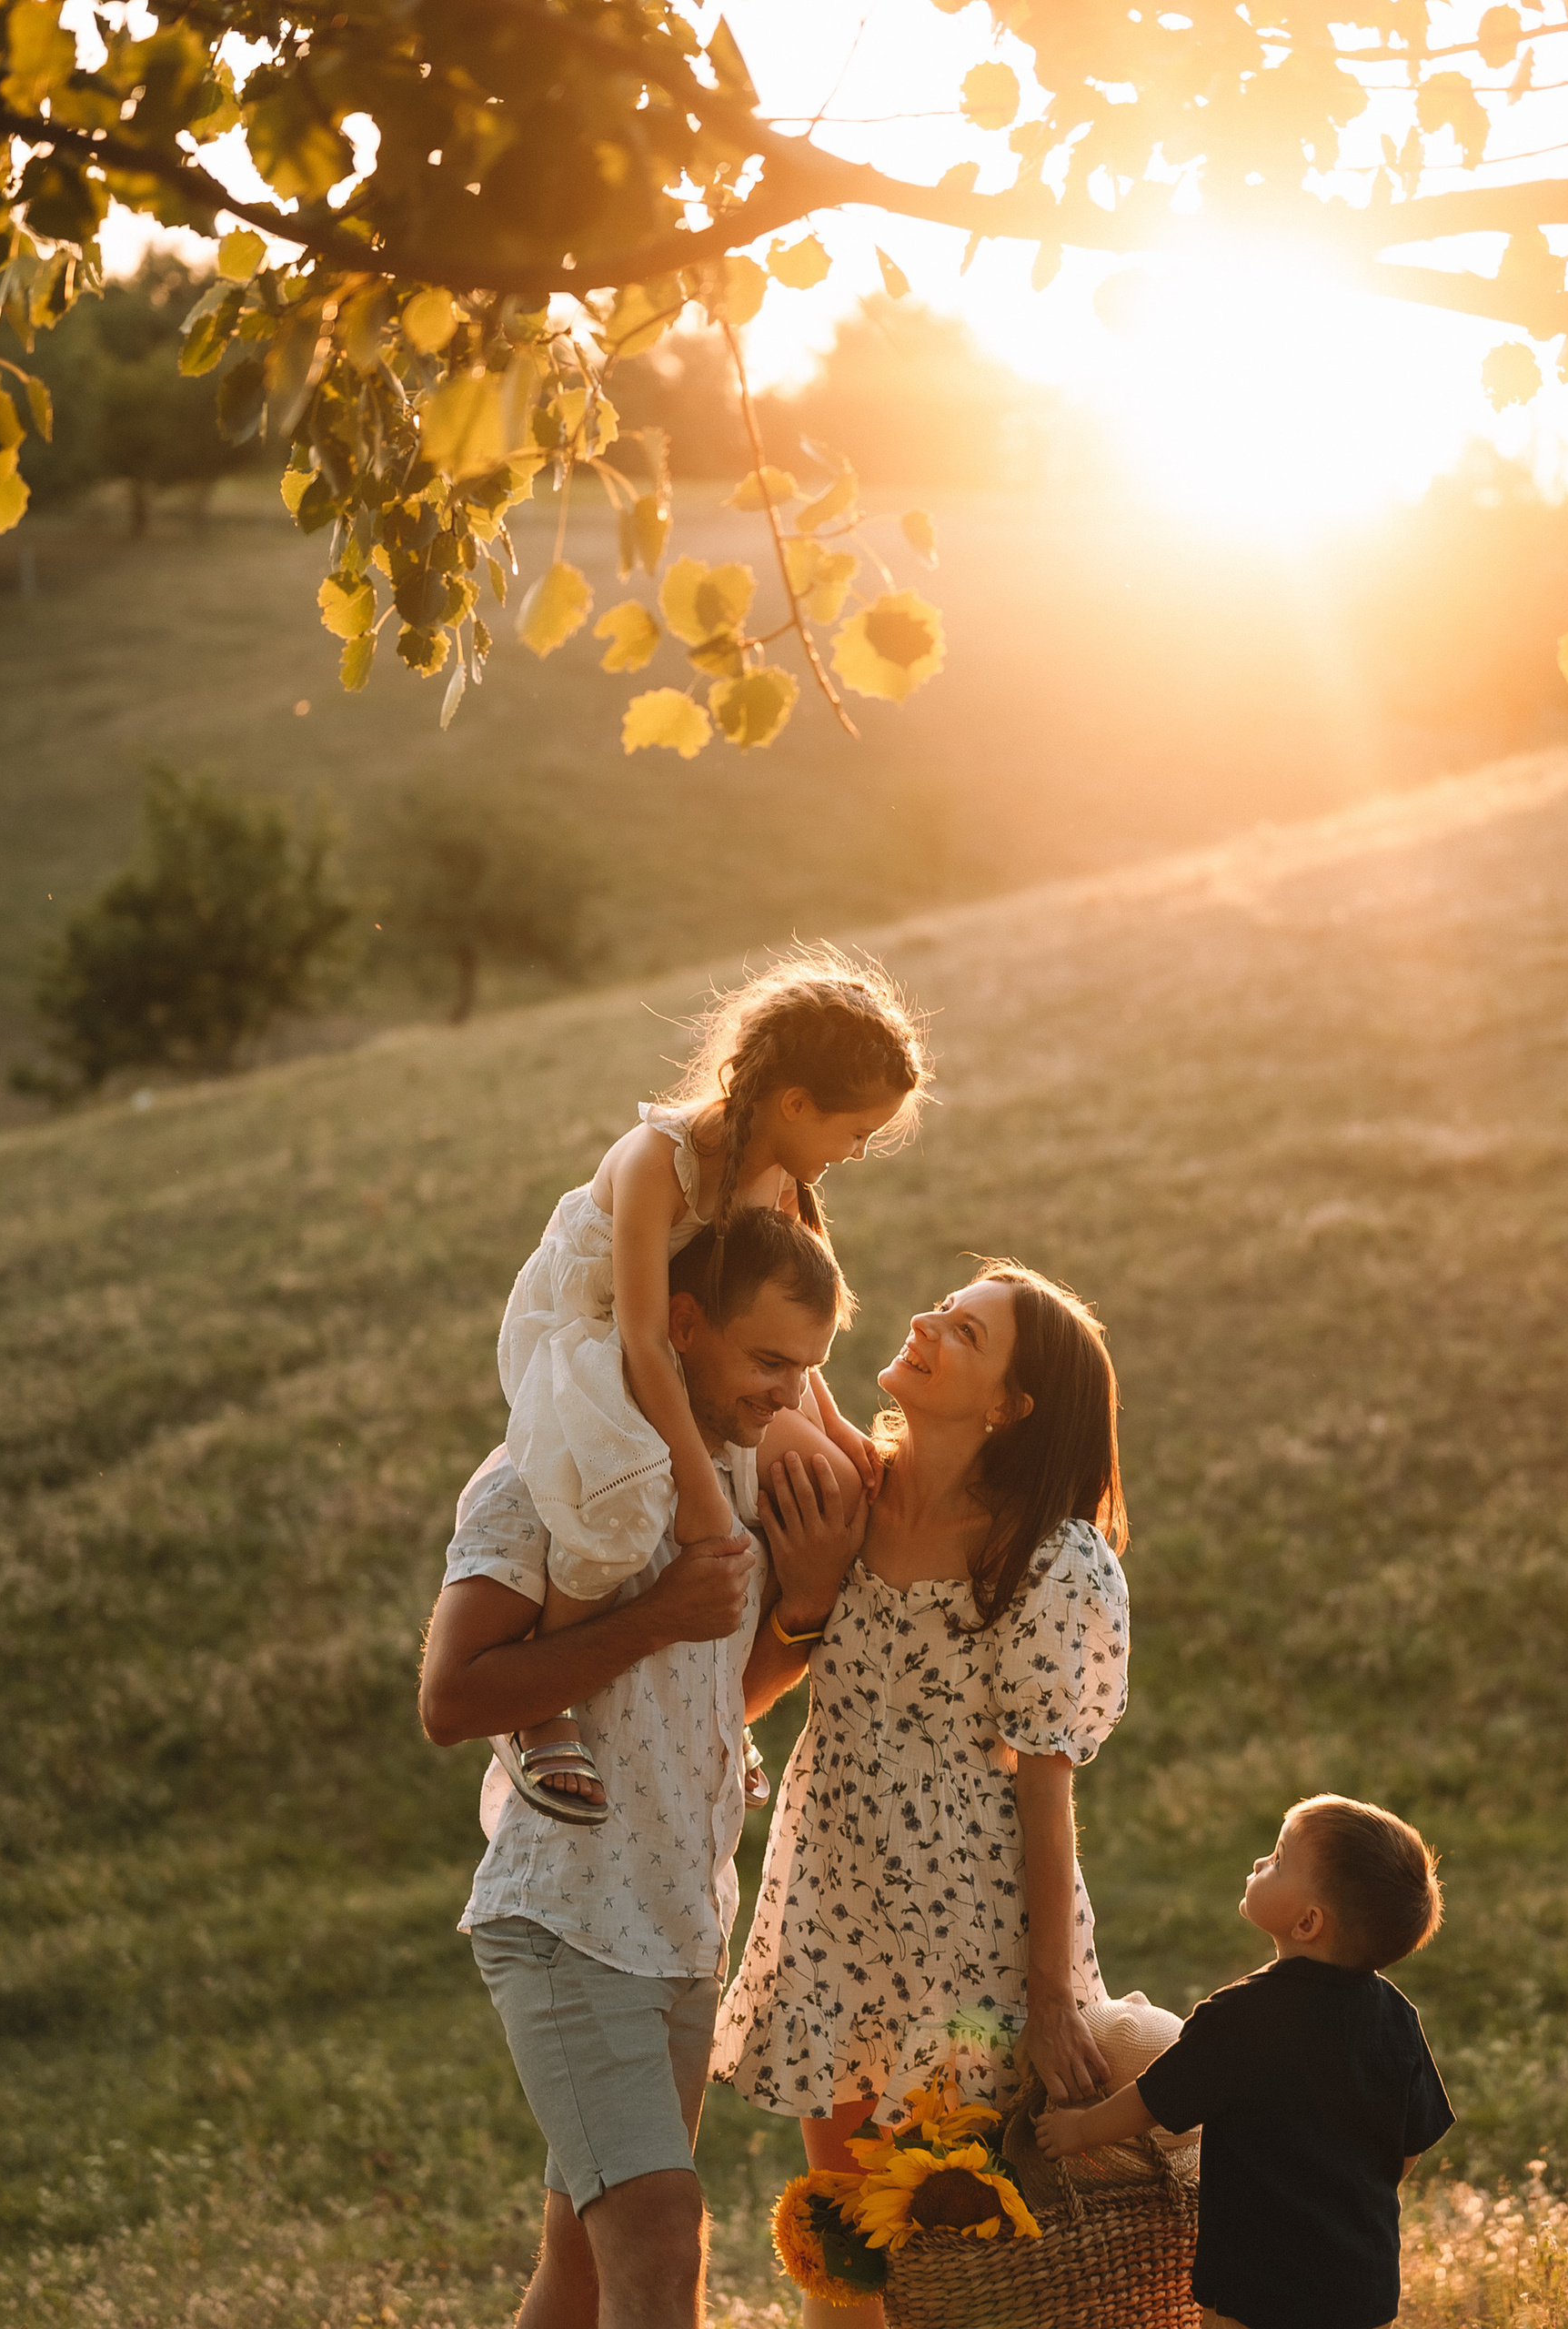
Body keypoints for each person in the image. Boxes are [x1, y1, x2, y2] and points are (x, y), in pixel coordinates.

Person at [418, 1206, 868, 2329]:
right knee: (662, 2243)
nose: (787, 1394)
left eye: (805, 1369)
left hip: (679, 1926)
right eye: (767, 1361)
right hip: (569, 1920)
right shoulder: (549, 1468)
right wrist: (658, 1612)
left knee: (582, 2273)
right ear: (684, 1322)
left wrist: (807, 1602)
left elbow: (721, 1697)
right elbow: (452, 1697)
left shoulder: (738, 1481)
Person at [711, 1261, 1131, 2329]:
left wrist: (1048, 2001)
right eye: (943, 1307)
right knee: (845, 2233)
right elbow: (745, 1691)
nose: (925, 1323)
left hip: (970, 1943)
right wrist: (806, 1595)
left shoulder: (1049, 1557)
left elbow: (1046, 1795)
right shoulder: (842, 1491)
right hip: (831, 1899)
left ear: (1011, 1405)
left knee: (959, 2246)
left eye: (966, 1331)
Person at [492, 946, 930, 1823]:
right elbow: (641, 1338)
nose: (857, 1152)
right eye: (855, 1132)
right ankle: (541, 1710)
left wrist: (839, 1429)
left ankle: (723, 1701)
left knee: (832, 1484)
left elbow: (782, 1337)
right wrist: (698, 1487)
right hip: (592, 1342)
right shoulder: (660, 1158)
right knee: (627, 1484)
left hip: (697, 1347)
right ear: (795, 1104)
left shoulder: (779, 1176)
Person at [1036, 1794, 1452, 2329]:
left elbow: (1154, 2100)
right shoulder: (1397, 2017)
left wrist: (1079, 2130)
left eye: (1278, 1859)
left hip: (1257, 2286)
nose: (1259, 1863)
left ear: (1308, 1922)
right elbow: (1412, 2143)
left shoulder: (1242, 2015)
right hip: (1361, 2287)